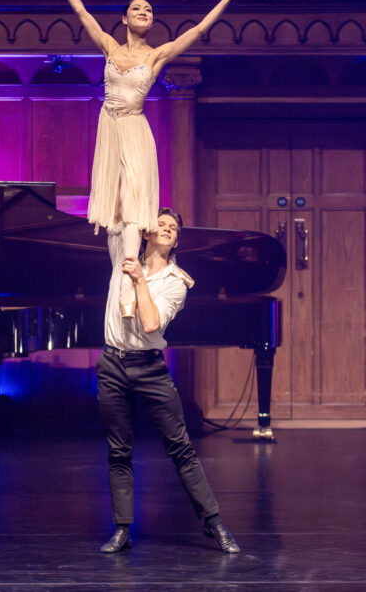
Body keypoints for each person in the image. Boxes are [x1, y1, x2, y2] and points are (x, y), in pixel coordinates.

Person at [40, 0, 245, 317]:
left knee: (135, 205)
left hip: (134, 129)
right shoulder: (108, 46)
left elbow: (198, 30)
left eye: (149, 10)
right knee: (116, 211)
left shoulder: (157, 54)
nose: (144, 13)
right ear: (124, 19)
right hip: (109, 127)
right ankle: (120, 279)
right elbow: (81, 12)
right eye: (137, 8)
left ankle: (129, 286)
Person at [94, 207, 241, 554]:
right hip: (113, 364)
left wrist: (140, 280)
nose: (166, 229)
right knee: (119, 451)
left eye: (172, 228)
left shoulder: (176, 282)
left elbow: (150, 324)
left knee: (181, 448)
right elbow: (120, 208)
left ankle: (214, 524)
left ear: (176, 240)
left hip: (150, 369)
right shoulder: (123, 254)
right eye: (159, 224)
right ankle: (122, 529)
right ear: (146, 232)